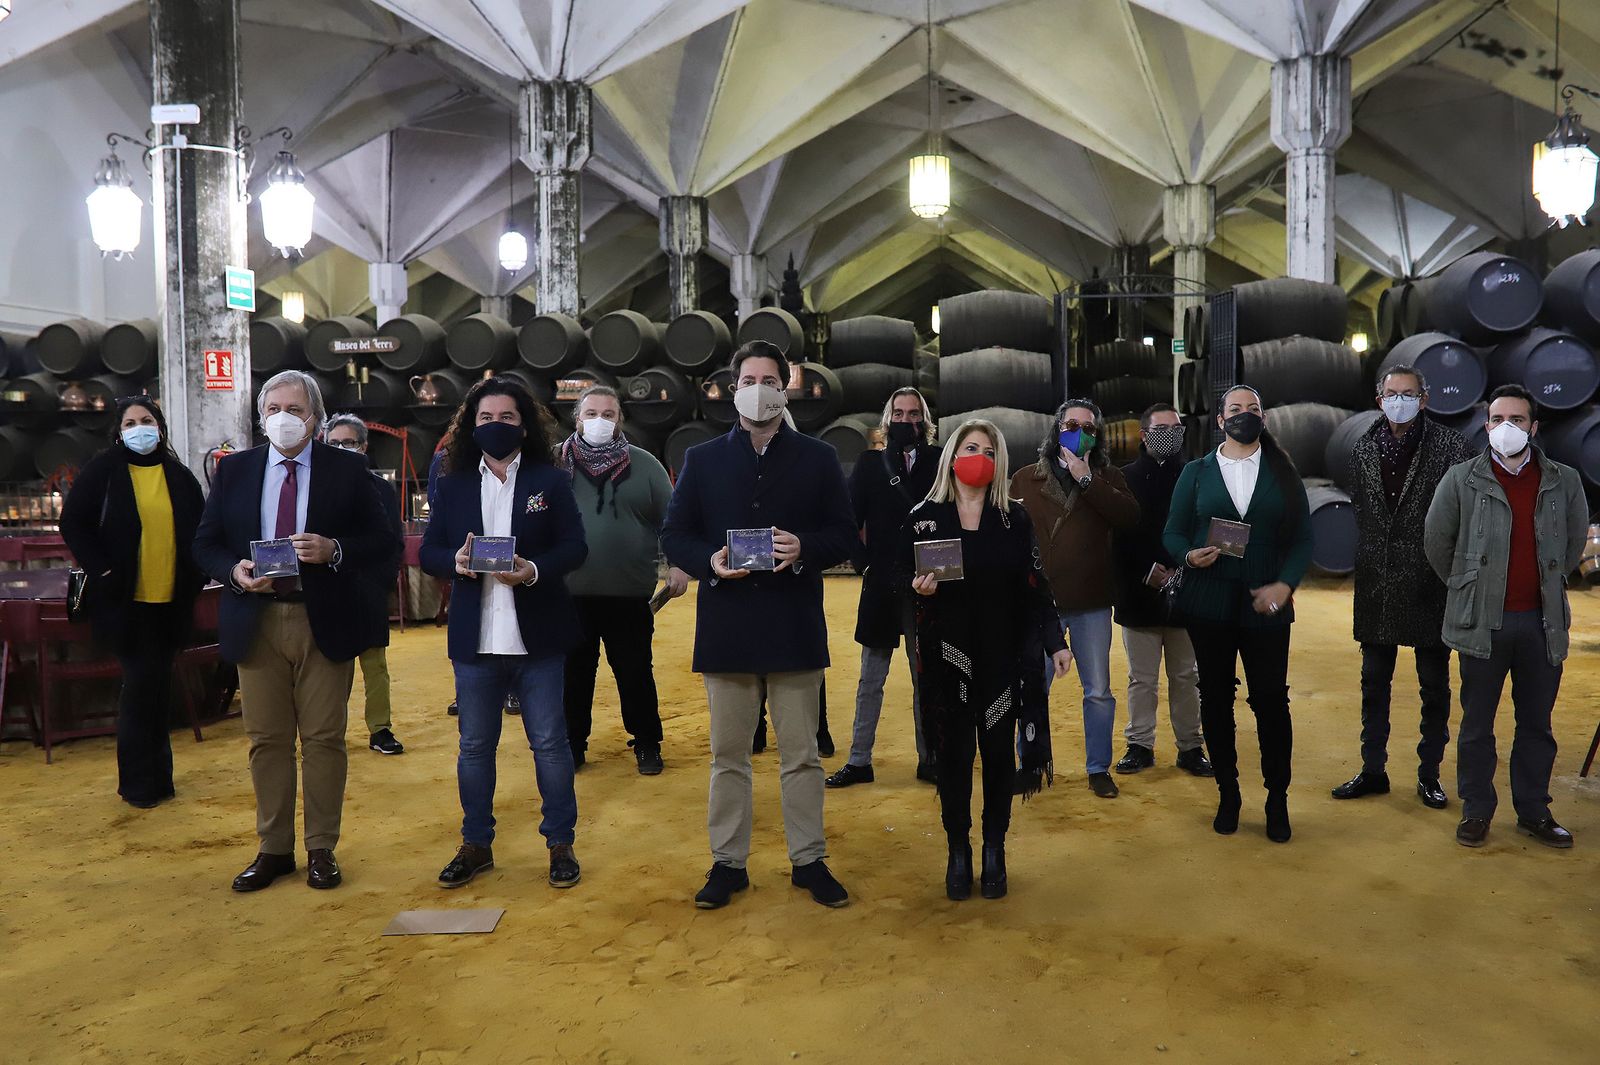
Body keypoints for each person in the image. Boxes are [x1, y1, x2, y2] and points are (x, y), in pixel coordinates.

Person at [661, 340, 857, 910]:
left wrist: (806, 548)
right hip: (728, 626)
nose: (760, 387)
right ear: (733, 388)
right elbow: (675, 535)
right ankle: (728, 863)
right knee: (728, 756)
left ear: (785, 387)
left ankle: (809, 859)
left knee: (801, 754)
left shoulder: (818, 458)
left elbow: (844, 534)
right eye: (749, 378)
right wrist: (709, 563)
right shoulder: (703, 460)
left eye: (770, 378)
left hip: (794, 625)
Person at [192, 370, 398, 892]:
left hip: (321, 617)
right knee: (267, 740)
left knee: (324, 739)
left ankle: (321, 847)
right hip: (255, 619)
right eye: (273, 409)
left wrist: (335, 550)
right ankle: (274, 848)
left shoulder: (347, 471)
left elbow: (383, 541)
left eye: (296, 409)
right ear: (261, 417)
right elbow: (206, 543)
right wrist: (233, 572)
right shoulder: (234, 471)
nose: (284, 418)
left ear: (315, 417)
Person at [421, 378, 588, 888]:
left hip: (537, 638)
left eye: (507, 418)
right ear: (472, 425)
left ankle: (560, 844)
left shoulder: (550, 480)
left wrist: (533, 570)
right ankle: (476, 844)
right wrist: (454, 561)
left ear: (525, 424)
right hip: (475, 641)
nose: (497, 426)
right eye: (486, 418)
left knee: (550, 745)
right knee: (474, 747)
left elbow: (575, 547)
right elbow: (428, 552)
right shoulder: (450, 484)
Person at [906, 419, 1071, 900]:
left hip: (1004, 659)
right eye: (970, 446)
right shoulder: (923, 517)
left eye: (989, 450)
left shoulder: (1013, 520)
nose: (979, 456)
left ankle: (994, 848)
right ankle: (958, 850)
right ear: (953, 454)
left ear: (998, 463)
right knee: (954, 759)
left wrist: (1056, 642)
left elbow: (1036, 587)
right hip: (948, 661)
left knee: (999, 758)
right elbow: (895, 574)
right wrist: (915, 589)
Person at [1424, 384, 1587, 850]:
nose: (1507, 428)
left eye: (1517, 420)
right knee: (1477, 724)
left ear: (1533, 429)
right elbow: (1438, 542)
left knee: (1537, 724)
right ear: (1486, 424)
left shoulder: (1563, 480)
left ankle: (1534, 809)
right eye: (1499, 420)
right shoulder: (1461, 479)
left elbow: (1573, 543)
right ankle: (1476, 810)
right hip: (1483, 624)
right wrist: (1468, 586)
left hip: (1541, 624)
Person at [1162, 385, 1312, 844]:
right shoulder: (1197, 471)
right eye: (1235, 409)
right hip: (1208, 601)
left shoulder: (1283, 471)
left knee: (1270, 701)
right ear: (1221, 419)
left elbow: (1302, 538)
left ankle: (1276, 798)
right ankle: (1228, 794)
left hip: (1265, 602)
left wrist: (1285, 585)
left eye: (1253, 409)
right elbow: (1173, 531)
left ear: (1262, 418)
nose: (1244, 415)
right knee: (1215, 699)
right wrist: (1188, 556)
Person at [1330, 366, 1473, 809]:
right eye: (1392, 393)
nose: (1400, 400)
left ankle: (1429, 774)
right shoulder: (1363, 448)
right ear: (1379, 399)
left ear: (1424, 399)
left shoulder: (1450, 446)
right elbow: (1364, 512)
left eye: (1408, 393)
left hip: (1431, 580)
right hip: (1379, 580)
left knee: (1434, 684)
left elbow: (1462, 515)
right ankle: (1373, 769)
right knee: (1373, 681)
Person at [59, 396, 207, 809]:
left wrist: (195, 578)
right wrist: (103, 570)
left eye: (146, 420)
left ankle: (160, 779)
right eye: (130, 422)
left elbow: (200, 530)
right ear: (119, 430)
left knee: (158, 689)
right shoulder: (104, 470)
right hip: (126, 603)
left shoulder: (179, 477)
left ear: (159, 427)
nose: (139, 428)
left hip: (171, 602)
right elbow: (73, 522)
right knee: (141, 689)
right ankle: (137, 784)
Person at [1010, 397, 1140, 798]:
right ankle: (1030, 763)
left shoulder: (1109, 477)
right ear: (1056, 429)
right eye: (1071, 424)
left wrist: (1087, 479)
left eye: (1088, 427)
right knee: (1033, 687)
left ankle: (1098, 767)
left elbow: (1129, 519)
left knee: (1098, 690)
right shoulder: (1026, 478)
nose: (1079, 432)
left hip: (1091, 603)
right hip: (1038, 606)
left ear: (1097, 436)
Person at [556, 385, 687, 775]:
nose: (599, 421)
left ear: (619, 420)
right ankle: (572, 745)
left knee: (634, 673)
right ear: (577, 417)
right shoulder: (553, 465)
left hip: (628, 594)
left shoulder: (645, 465)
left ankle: (647, 742)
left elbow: (673, 520)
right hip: (567, 593)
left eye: (608, 414)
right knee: (573, 675)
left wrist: (679, 564)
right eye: (591, 413)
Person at [826, 386, 941, 789]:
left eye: (913, 414)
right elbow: (847, 518)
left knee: (924, 675)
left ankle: (930, 759)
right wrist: (864, 564)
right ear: (887, 418)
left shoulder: (939, 461)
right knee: (870, 678)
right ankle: (860, 760)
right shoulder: (870, 463)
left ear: (924, 421)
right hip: (880, 585)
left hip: (927, 585)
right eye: (899, 413)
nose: (906, 421)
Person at [1110, 403, 1212, 778]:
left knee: (1187, 676)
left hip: (1188, 592)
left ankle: (1190, 747)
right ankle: (1140, 744)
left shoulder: (1198, 474)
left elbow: (1205, 526)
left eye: (1176, 428)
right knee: (1142, 677)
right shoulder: (1123, 478)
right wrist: (1146, 571)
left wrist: (1185, 567)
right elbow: (1117, 535)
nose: (1170, 434)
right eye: (1162, 428)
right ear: (1144, 434)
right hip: (1139, 594)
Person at [325, 414, 406, 756]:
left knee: (375, 667)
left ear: (364, 446)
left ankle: (380, 729)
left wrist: (380, 583)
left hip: (369, 589)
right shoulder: (318, 487)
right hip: (329, 590)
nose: (343, 449)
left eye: (349, 443)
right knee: (332, 670)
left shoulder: (381, 488)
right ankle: (328, 731)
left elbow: (393, 542)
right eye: (335, 444)